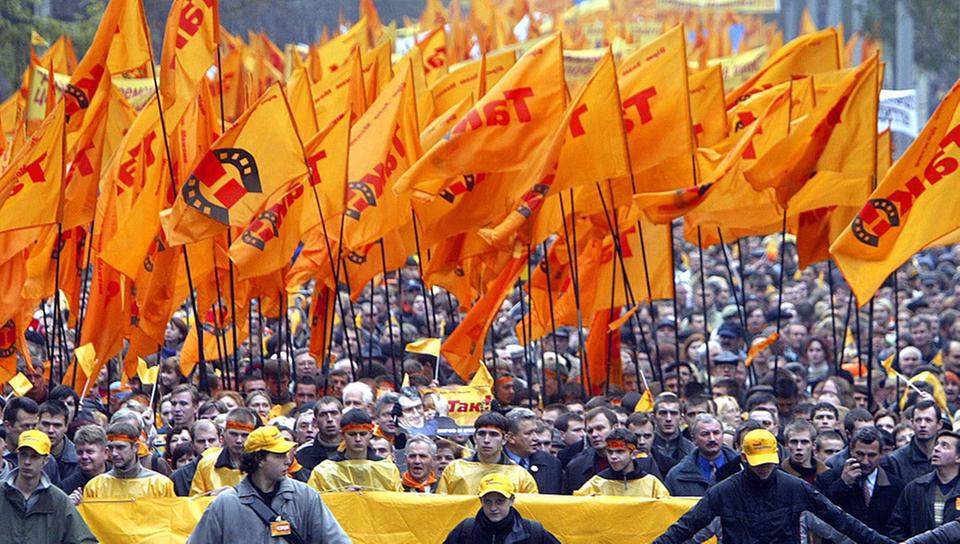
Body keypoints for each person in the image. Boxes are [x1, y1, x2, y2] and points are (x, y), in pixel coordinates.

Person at [653, 429, 896, 544]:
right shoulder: (723, 492)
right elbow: (685, 528)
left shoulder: (795, 488)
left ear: (777, 456)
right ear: (744, 458)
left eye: (769, 462)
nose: (763, 467)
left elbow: (841, 521)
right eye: (758, 463)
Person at [188, 425, 350, 544]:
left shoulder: (305, 496)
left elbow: (337, 541)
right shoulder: (225, 504)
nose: (288, 460)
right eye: (279, 455)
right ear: (259, 459)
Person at [0, 430, 97, 543]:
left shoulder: (58, 500)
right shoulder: (2, 492)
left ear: (45, 460)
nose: (27, 461)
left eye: (34, 456)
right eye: (23, 454)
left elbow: (84, 540)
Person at [816, 427, 905, 539]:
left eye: (872, 455)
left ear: (881, 454)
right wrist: (843, 484)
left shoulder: (896, 486)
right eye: (860, 454)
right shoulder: (828, 479)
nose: (865, 461)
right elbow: (821, 515)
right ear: (851, 451)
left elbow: (898, 526)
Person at [437, 412, 538, 495]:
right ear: (475, 437)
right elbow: (441, 505)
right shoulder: (455, 469)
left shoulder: (521, 475)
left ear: (505, 439)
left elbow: (529, 511)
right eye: (482, 433)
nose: (486, 440)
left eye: (493, 434)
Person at [443, 473, 560, 544]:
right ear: (480, 501)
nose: (493, 508)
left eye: (500, 501)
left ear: (512, 500)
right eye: (487, 501)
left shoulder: (533, 531)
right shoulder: (466, 530)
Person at [887, 430, 960, 540]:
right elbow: (896, 526)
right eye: (936, 444)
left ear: (958, 457)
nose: (936, 449)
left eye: (944, 446)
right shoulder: (916, 488)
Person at [307, 408, 402, 492]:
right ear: (342, 435)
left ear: (371, 434)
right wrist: (342, 498)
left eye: (363, 434)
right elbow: (314, 504)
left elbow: (397, 504)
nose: (358, 439)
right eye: (352, 434)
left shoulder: (388, 470)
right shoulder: (324, 471)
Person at [82, 421, 175, 499]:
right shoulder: (95, 487)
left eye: (120, 447)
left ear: (135, 447)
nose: (114, 453)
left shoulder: (160, 485)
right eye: (111, 448)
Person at [574, 428, 670, 497]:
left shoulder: (652, 484)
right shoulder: (596, 484)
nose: (613, 457)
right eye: (610, 452)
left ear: (633, 454)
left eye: (620, 451)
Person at [664, 414, 738, 497]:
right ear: (694, 438)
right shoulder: (676, 476)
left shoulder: (742, 468)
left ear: (722, 435)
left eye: (716, 433)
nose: (712, 439)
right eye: (705, 434)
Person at [191, 407, 260, 496]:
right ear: (224, 434)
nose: (239, 440)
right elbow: (195, 502)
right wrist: (212, 496)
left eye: (245, 435)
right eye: (233, 434)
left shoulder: (261, 464)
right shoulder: (206, 464)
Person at [504, 408, 563, 494]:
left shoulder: (551, 463)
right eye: (528, 433)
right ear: (511, 437)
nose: (536, 438)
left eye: (535, 432)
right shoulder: (495, 463)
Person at [2, 397, 60, 483]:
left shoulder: (46, 460)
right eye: (26, 426)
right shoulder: (2, 457)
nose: (31, 431)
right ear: (8, 426)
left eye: (34, 426)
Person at [887, 399, 942, 484]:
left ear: (939, 424)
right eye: (918, 420)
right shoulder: (896, 460)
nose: (922, 425)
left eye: (928, 420)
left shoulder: (948, 456)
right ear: (912, 423)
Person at [170, 419, 221, 496]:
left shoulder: (236, 469)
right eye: (201, 441)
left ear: (221, 440)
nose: (207, 446)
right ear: (192, 443)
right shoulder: (179, 478)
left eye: (211, 440)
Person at [57, 425, 108, 500]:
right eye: (80, 452)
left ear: (105, 453)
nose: (84, 457)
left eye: (89, 452)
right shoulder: (67, 486)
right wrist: (67, 504)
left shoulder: (119, 478)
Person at [652, 393, 695, 475]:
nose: (668, 419)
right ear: (654, 418)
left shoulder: (691, 450)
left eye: (673, 413)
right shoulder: (646, 446)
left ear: (681, 419)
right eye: (663, 413)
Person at [296, 396, 343, 471]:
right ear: (315, 422)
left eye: (334, 413)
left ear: (342, 417)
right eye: (323, 415)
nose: (330, 419)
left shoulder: (353, 450)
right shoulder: (302, 455)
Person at [38, 400, 77, 482]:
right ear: (37, 424)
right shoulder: (25, 452)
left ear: (66, 427)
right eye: (46, 424)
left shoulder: (78, 458)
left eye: (57, 425)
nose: (51, 430)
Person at [781, 420, 828, 485]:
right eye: (794, 442)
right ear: (786, 445)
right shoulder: (778, 476)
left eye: (804, 442)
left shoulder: (827, 474)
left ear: (813, 445)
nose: (799, 447)